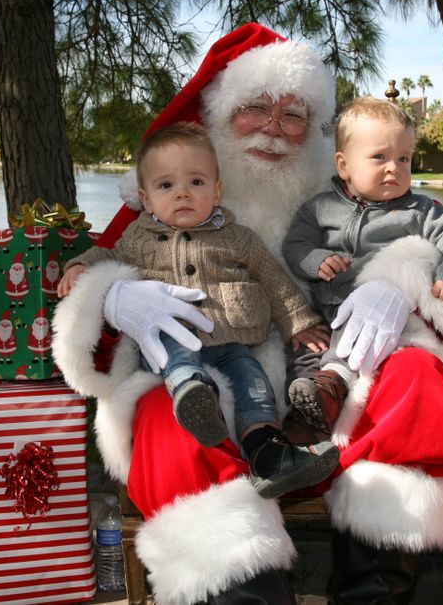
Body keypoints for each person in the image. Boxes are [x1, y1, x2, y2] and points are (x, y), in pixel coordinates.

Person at [52, 23, 443, 604]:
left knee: (417, 377)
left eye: (293, 115)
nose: (275, 131)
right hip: (207, 389)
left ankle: (377, 593)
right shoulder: (161, 202)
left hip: (331, 384)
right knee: (159, 410)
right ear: (218, 115)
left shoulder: (341, 201)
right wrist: (113, 297)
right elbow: (92, 320)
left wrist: (401, 280)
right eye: (255, 108)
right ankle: (245, 591)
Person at [58, 122, 337, 499]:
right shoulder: (139, 238)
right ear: (146, 197)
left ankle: (268, 452)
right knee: (172, 345)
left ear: (217, 191)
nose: (183, 194)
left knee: (253, 385)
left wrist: (299, 322)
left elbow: (275, 283)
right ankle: (191, 391)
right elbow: (108, 254)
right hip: (171, 341)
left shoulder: (239, 239)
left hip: (232, 344)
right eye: (166, 186)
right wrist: (80, 266)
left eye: (196, 182)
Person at [281, 97, 443, 434]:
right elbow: (294, 244)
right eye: (379, 157)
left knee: (353, 359)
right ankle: (307, 421)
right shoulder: (320, 208)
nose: (394, 168)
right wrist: (316, 260)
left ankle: (334, 383)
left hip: (387, 321)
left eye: (404, 158)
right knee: (302, 356)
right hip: (327, 316)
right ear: (344, 166)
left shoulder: (420, 210)